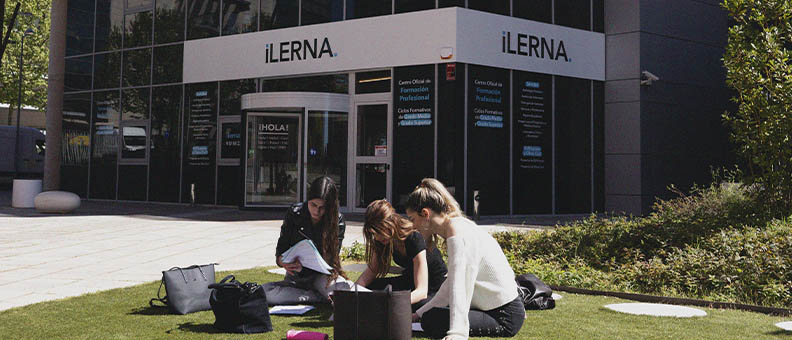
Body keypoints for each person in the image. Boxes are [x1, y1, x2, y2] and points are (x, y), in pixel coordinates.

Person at [407, 178, 525, 339]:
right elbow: (449, 286)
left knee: (432, 319)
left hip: (504, 317)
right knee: (426, 312)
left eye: (413, 219)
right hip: (490, 309)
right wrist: (418, 314)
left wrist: (457, 333)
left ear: (425, 213)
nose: (413, 226)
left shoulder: (457, 232)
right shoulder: (456, 226)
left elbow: (460, 286)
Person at [263, 176, 350, 305]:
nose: (316, 211)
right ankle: (316, 297)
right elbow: (281, 249)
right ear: (308, 200)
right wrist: (283, 262)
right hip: (296, 276)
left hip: (322, 276)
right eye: (313, 205)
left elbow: (332, 258)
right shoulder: (295, 213)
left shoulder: (337, 220)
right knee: (264, 292)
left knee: (343, 288)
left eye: (322, 207)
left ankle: (317, 294)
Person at [354, 199, 448, 311]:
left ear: (391, 223)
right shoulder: (382, 240)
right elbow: (372, 271)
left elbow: (421, 291)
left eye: (380, 231)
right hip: (409, 281)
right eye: (374, 234)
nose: (377, 237)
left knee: (419, 305)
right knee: (369, 289)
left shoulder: (414, 238)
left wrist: (392, 302)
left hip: (433, 287)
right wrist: (352, 292)